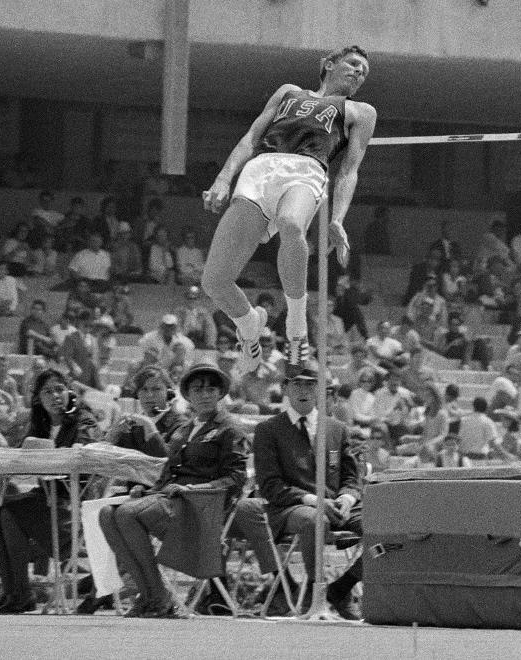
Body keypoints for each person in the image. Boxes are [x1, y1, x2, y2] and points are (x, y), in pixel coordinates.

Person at [201, 45, 377, 375]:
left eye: (364, 72)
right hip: (261, 170)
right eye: (353, 65)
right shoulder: (288, 93)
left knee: (290, 224)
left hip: (307, 170)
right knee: (214, 281)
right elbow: (251, 136)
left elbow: (349, 170)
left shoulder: (361, 112)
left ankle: (297, 325)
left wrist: (337, 219)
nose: (359, 73)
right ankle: (250, 325)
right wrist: (224, 178)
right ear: (329, 64)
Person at [99, 364, 247, 619]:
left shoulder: (229, 429)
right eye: (197, 389)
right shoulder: (184, 430)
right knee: (105, 514)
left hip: (202, 507)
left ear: (221, 394)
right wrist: (145, 492)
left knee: (126, 514)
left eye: (211, 389)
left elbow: (236, 478)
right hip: (172, 501)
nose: (204, 394)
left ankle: (158, 597)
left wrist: (194, 488)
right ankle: (150, 595)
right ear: (188, 394)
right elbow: (166, 475)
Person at [233, 362, 365, 619]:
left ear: (320, 390)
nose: (303, 390)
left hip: (339, 506)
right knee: (313, 520)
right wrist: (315, 500)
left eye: (310, 384)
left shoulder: (337, 429)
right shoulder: (269, 430)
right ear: (285, 388)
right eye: (297, 384)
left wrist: (347, 497)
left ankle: (342, 587)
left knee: (389, 528)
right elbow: (271, 486)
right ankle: (313, 596)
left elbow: (351, 476)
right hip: (292, 507)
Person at [0, 370, 101, 614]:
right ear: (38, 398)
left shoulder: (83, 420)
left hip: (73, 502)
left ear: (69, 392)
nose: (55, 396)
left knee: (9, 512)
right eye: (47, 391)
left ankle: (20, 592)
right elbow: (22, 456)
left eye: (59, 389)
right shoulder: (39, 424)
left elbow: (83, 457)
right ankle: (13, 590)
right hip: (46, 499)